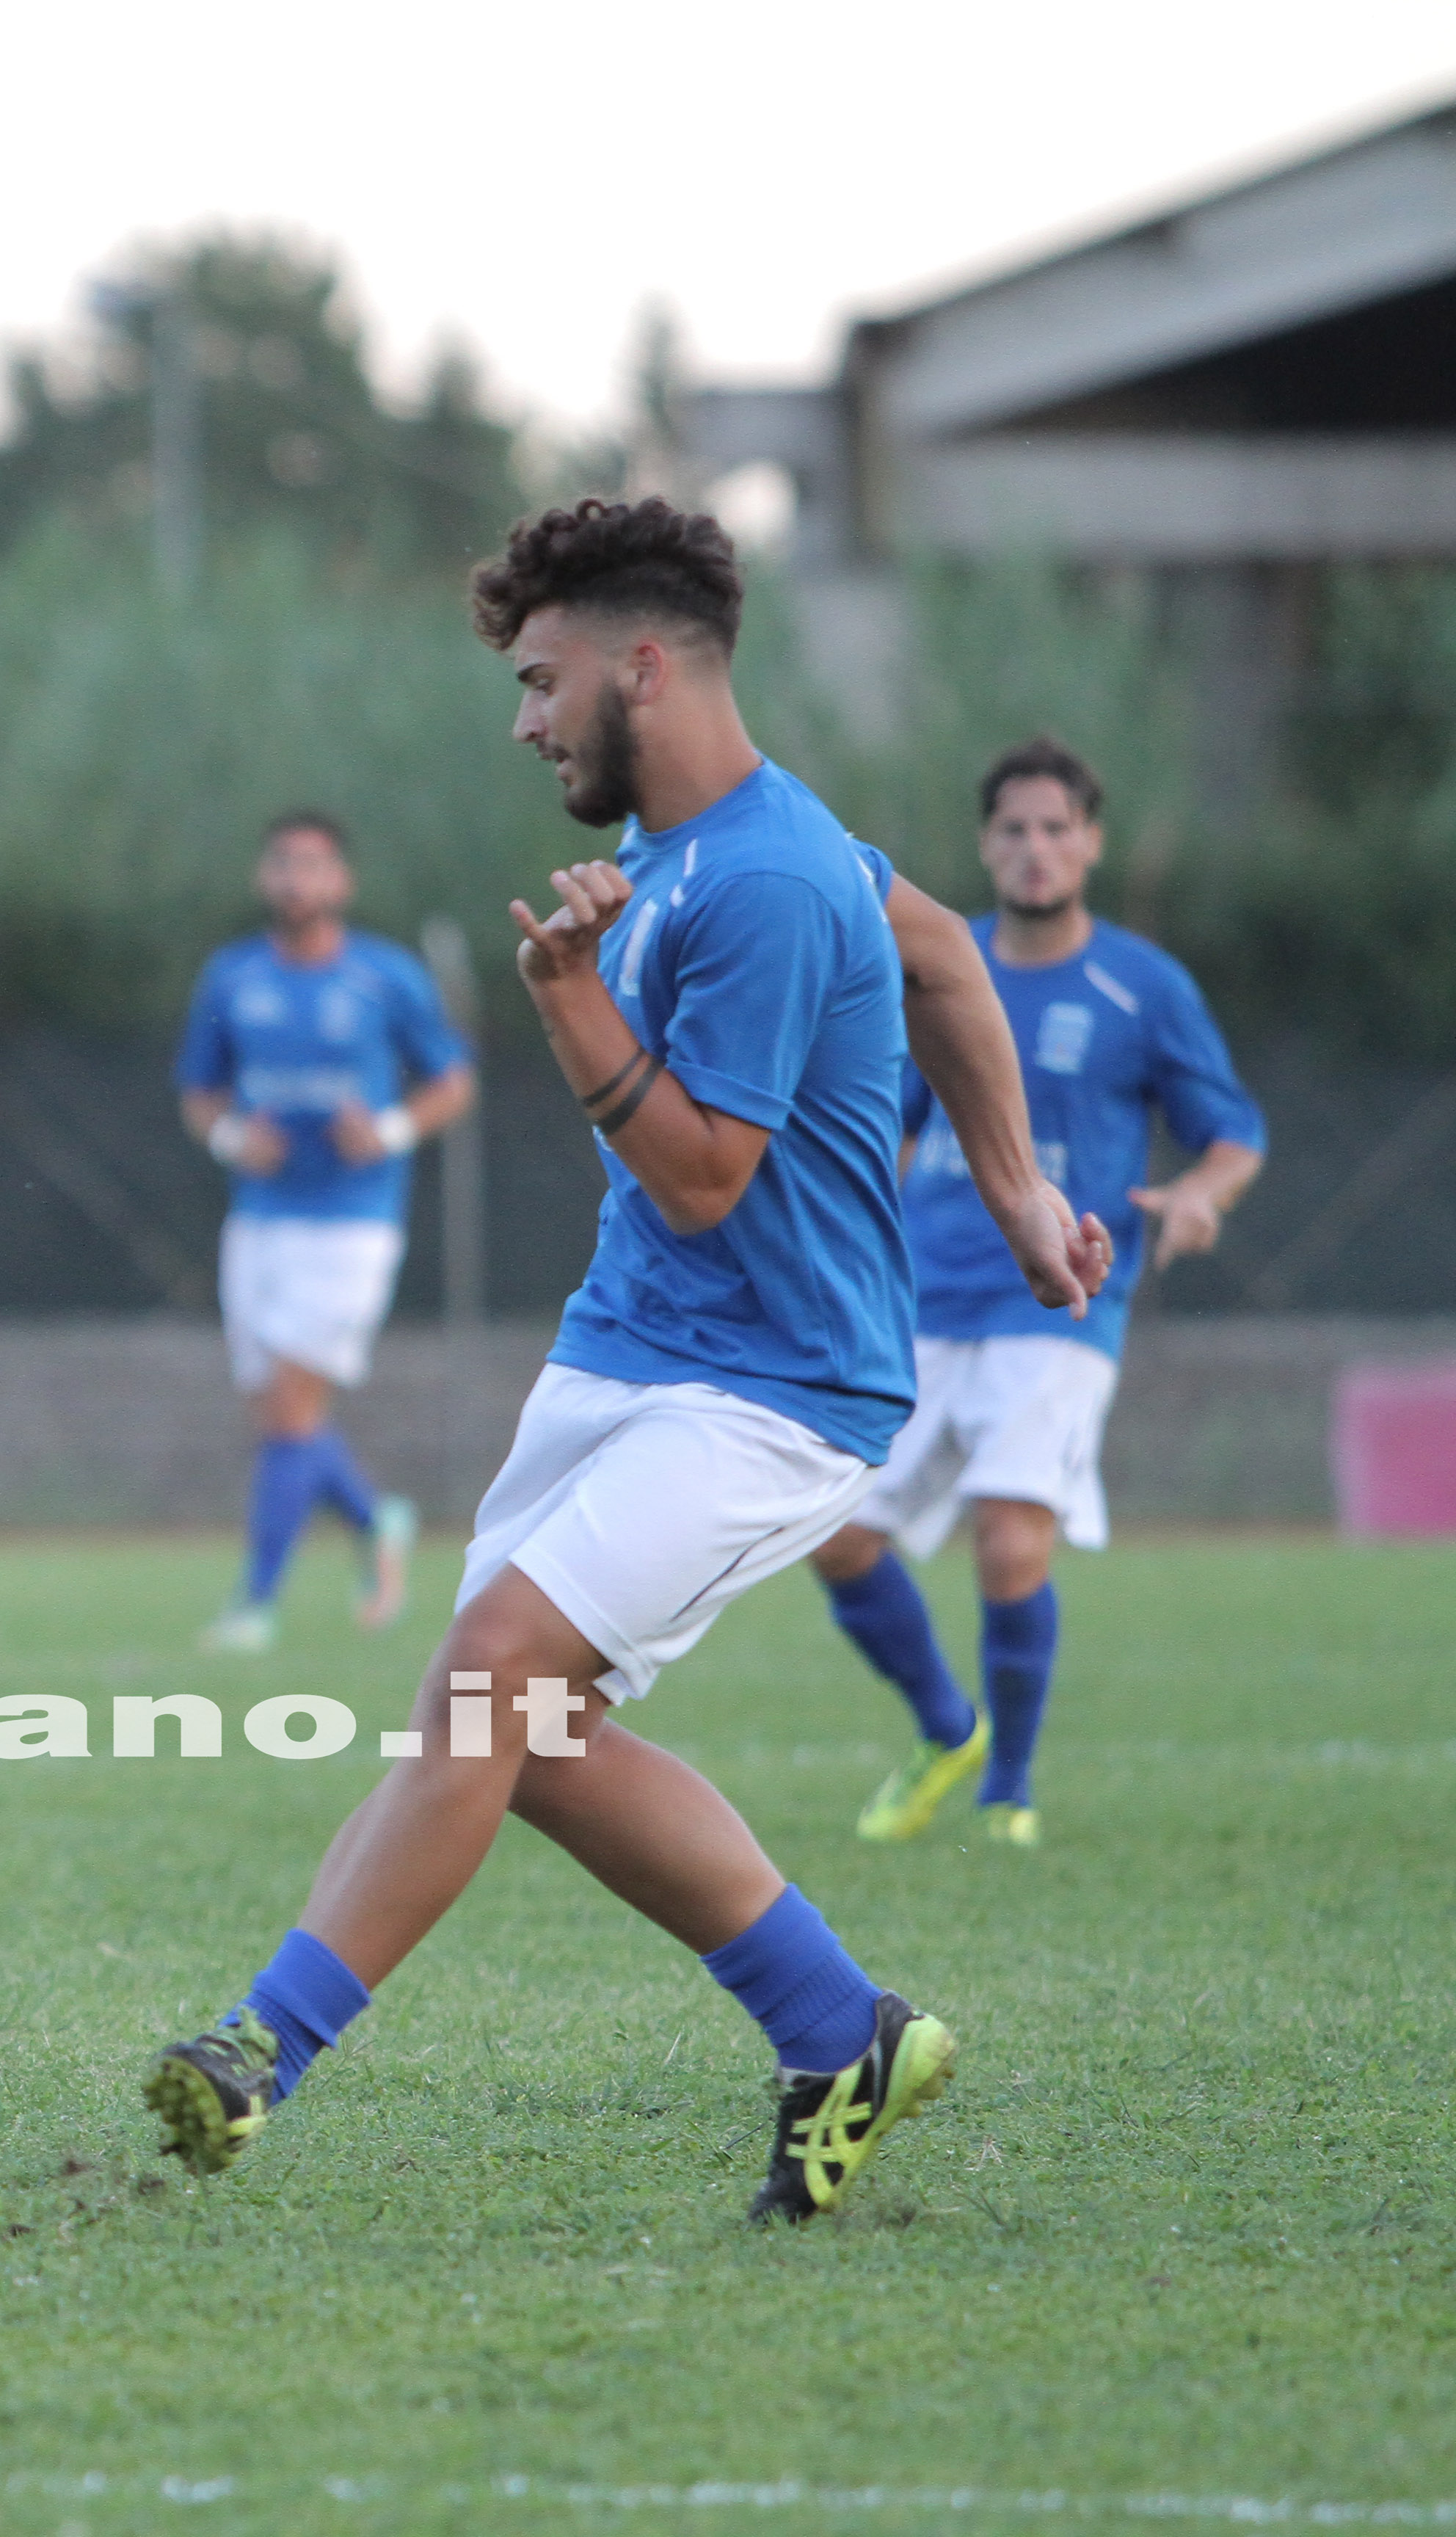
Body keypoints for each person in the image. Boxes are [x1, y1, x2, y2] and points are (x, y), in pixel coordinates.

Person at [141, 498, 1111, 2224]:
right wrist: (1022, 1190)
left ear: (637, 664)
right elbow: (949, 956)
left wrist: (568, 999)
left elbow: (703, 1171)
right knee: (531, 1727)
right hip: (626, 1353)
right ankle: (839, 2031)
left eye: (538, 678)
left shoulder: (764, 876)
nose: (521, 718)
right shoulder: (711, 844)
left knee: (487, 1683)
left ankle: (255, 2048)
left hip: (776, 1382)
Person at [814, 739, 1264, 1851]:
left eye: (1057, 827)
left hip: (1060, 1299)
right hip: (917, 1299)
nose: (1035, 848)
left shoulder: (1142, 986)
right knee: (833, 1535)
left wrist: (1203, 1195)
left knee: (1011, 1545)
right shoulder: (939, 960)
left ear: (1091, 842)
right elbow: (892, 1119)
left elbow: (1234, 1133)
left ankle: (1006, 1791)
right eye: (1013, 828)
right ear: (985, 844)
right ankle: (946, 1727)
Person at [177, 814, 478, 1651]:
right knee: (282, 1415)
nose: (295, 879)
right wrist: (238, 1138)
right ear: (262, 878)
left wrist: (387, 1131)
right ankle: (376, 1519)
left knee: (288, 1411)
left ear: (340, 882)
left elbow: (452, 1082)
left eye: (312, 865)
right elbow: (200, 1095)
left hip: (352, 1225)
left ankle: (254, 1606)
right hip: (261, 1220)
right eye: (281, 863)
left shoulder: (385, 977)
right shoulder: (233, 978)